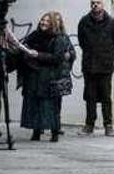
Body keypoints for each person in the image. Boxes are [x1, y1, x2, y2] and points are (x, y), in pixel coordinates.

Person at [17, 12, 76, 142]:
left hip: (50, 77)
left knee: (50, 105)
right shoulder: (34, 35)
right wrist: (24, 49)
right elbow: (24, 46)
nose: (43, 22)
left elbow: (57, 58)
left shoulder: (59, 38)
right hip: (34, 76)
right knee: (35, 103)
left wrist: (38, 55)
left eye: (47, 21)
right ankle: (36, 131)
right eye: (42, 20)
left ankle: (54, 132)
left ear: (52, 24)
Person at [77, 0, 114, 136]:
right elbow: (82, 41)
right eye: (93, 3)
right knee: (89, 96)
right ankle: (89, 124)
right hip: (89, 65)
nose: (95, 5)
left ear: (103, 5)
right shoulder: (84, 22)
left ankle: (108, 125)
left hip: (105, 66)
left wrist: (105, 52)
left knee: (106, 96)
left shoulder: (112, 23)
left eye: (98, 3)